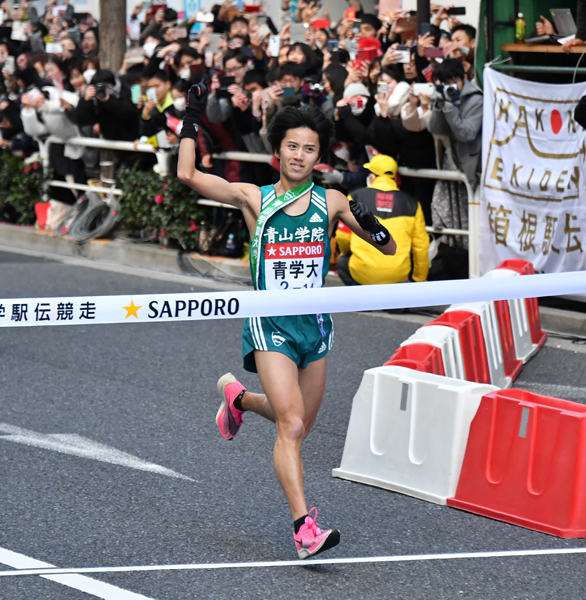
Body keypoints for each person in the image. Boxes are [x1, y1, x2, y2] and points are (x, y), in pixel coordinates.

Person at [177, 77, 397, 559]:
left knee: (293, 420)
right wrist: (192, 120)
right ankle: (304, 529)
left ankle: (238, 399)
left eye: (309, 149)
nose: (299, 155)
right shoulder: (255, 198)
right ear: (277, 150)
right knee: (292, 426)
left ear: (319, 157)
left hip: (314, 328)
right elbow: (189, 175)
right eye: (291, 146)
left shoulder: (332, 202)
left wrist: (370, 219)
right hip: (269, 323)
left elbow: (389, 248)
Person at [336, 154, 429, 285]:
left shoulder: (355, 197)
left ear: (372, 176)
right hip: (397, 277)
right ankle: (399, 301)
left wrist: (347, 252)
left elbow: (343, 236)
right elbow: (421, 246)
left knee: (343, 262)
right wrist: (419, 278)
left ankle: (364, 302)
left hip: (362, 274)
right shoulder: (412, 204)